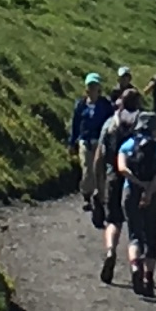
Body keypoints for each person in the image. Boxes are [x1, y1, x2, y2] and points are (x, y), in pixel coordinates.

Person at [112, 113, 156, 296]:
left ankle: (134, 266)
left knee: (135, 234)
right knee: (152, 236)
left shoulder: (128, 144)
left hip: (131, 191)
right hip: (155, 193)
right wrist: (149, 189)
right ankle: (149, 277)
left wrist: (138, 184)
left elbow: (122, 168)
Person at [68, 73, 117, 221]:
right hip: (85, 140)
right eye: (90, 86)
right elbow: (75, 124)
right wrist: (72, 142)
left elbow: (111, 122)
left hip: (100, 141)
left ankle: (100, 196)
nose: (92, 89)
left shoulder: (105, 105)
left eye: (95, 86)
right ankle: (87, 196)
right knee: (87, 169)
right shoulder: (81, 105)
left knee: (100, 170)